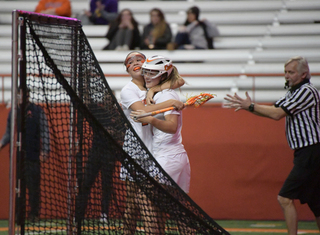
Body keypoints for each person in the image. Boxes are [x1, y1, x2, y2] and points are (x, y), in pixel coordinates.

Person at [224, 56, 320, 235]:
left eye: (291, 72)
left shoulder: (306, 90)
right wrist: (250, 107)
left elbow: (276, 114)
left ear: (304, 74)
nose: (287, 76)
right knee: (317, 204)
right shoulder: (293, 92)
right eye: (285, 72)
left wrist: (250, 106)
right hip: (305, 152)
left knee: (284, 198)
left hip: (311, 151)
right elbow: (272, 110)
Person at [120, 51, 185, 234]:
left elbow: (179, 80)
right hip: (137, 151)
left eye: (139, 59)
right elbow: (142, 115)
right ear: (127, 69)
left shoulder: (154, 85)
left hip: (156, 151)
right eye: (130, 61)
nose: (135, 62)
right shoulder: (128, 90)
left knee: (156, 205)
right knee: (133, 205)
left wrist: (154, 90)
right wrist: (171, 102)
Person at [0, 87, 50, 223]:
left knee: (34, 187)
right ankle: (18, 214)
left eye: (23, 94)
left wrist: (45, 150)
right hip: (18, 157)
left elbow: (45, 131)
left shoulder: (37, 111)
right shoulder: (14, 112)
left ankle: (34, 214)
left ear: (27, 95)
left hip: (33, 156)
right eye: (18, 94)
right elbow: (8, 133)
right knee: (18, 187)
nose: (21, 97)